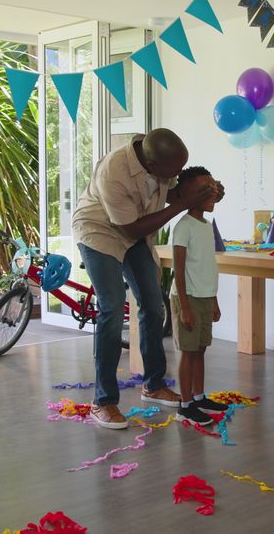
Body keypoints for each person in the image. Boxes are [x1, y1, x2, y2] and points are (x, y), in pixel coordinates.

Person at [72, 129, 222, 430]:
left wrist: (207, 193)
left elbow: (176, 193)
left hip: (134, 230)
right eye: (174, 172)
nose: (177, 175)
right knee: (112, 308)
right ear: (153, 165)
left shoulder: (158, 155)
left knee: (154, 305)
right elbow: (130, 230)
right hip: (100, 233)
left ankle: (153, 383)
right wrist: (182, 204)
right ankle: (103, 401)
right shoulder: (114, 172)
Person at [168, 166, 230, 425]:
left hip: (205, 298)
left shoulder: (205, 225)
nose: (213, 195)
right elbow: (179, 270)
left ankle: (199, 396)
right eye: (206, 190)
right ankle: (185, 404)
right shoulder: (183, 227)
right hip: (188, 298)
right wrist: (184, 306)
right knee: (188, 351)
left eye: (213, 189)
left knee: (201, 349)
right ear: (190, 194)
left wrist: (214, 301)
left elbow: (207, 268)